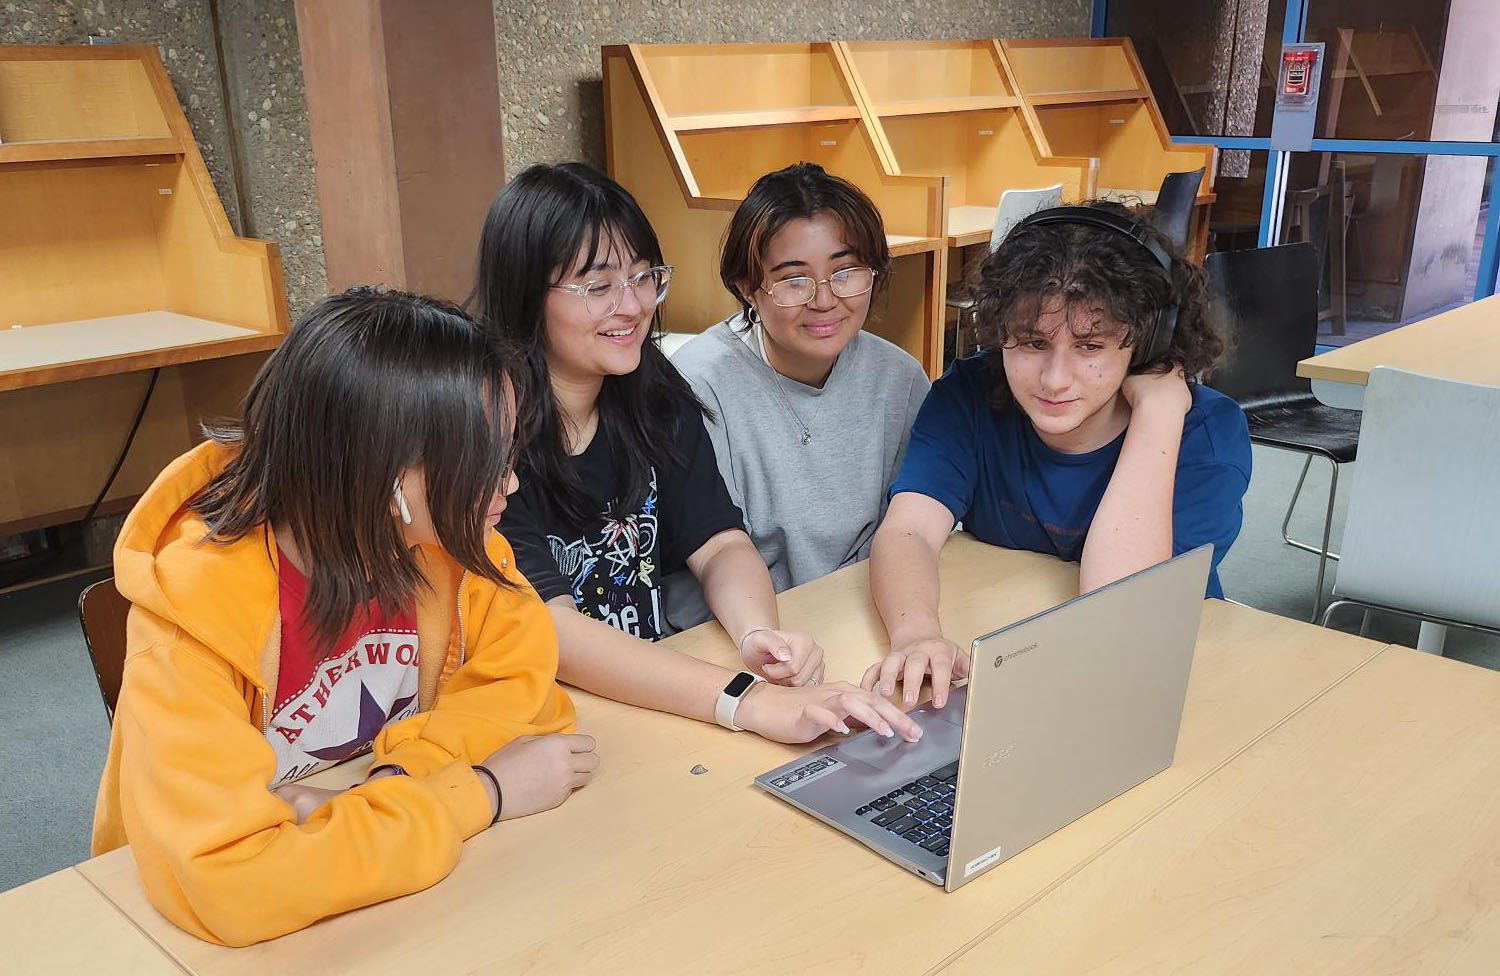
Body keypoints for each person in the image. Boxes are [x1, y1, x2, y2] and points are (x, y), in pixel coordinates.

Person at [92, 288, 597, 946]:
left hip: (374, 891)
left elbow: (525, 691)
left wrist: (392, 780)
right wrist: (482, 794)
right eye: (489, 464)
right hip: (160, 934)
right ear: (387, 474)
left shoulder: (444, 546)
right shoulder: (194, 615)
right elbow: (233, 882)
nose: (511, 486)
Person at [472, 162, 921, 744]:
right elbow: (552, 630)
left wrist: (757, 633)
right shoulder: (488, 430)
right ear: (526, 292)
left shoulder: (652, 394)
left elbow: (719, 541)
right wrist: (745, 700)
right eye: (598, 286)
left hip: (656, 697)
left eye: (642, 278)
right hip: (541, 721)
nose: (632, 307)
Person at [866, 202, 1252, 707]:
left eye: (1090, 347)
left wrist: (1158, 412)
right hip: (1019, 660)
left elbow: (1119, 609)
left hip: (1151, 683)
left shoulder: (1203, 434)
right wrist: (917, 633)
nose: (1053, 379)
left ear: (1146, 343)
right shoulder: (969, 395)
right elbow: (908, 529)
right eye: (1030, 343)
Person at [671, 162, 929, 601]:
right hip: (746, 629)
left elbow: (911, 532)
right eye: (794, 280)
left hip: (867, 609)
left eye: (846, 272)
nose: (825, 300)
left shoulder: (899, 379)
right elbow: (711, 554)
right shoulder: (699, 384)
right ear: (749, 288)